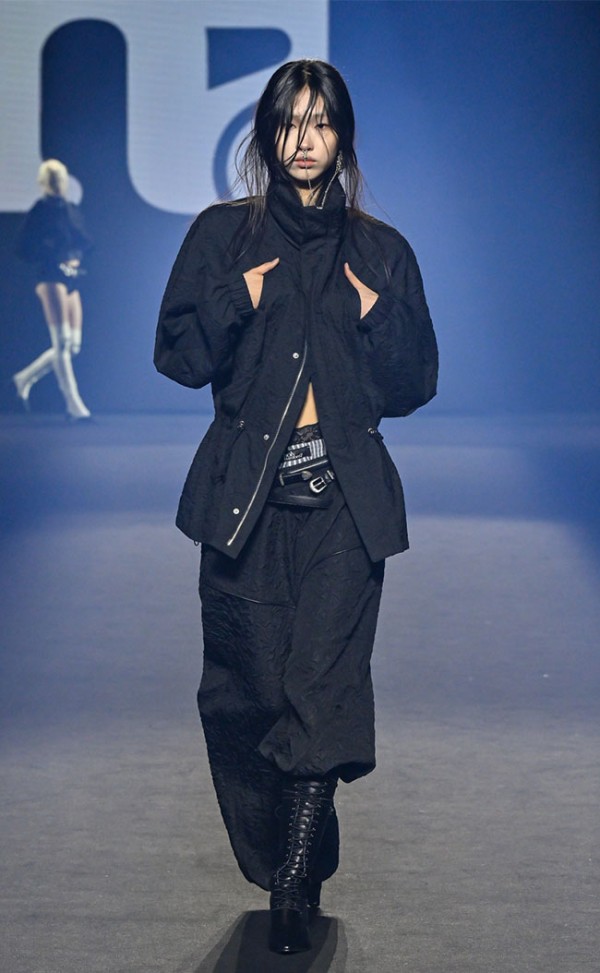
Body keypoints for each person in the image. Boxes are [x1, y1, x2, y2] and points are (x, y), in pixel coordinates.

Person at [154, 59, 438, 954]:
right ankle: (292, 852)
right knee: (245, 699)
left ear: (343, 135)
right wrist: (235, 297)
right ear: (267, 135)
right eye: (290, 123)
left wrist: (376, 313)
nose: (305, 140)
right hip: (247, 505)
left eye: (321, 122)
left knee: (321, 689)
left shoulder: (381, 252)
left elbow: (415, 383)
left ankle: (292, 881)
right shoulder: (221, 238)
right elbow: (178, 357)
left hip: (346, 507)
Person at [12, 159, 92, 421]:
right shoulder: (40, 210)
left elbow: (86, 241)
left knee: (73, 345)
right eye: (52, 179)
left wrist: (76, 257)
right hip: (50, 276)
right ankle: (74, 405)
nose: (57, 183)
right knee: (61, 343)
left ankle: (24, 378)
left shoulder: (70, 209)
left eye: (59, 179)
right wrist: (52, 255)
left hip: (72, 278)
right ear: (44, 182)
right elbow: (23, 247)